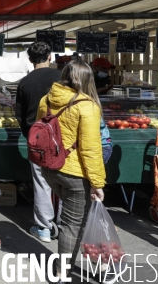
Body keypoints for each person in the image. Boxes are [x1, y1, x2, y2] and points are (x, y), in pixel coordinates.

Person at [37, 60, 106, 280]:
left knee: (71, 220)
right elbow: (91, 149)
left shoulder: (46, 100)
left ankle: (65, 263)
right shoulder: (87, 106)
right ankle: (62, 270)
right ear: (87, 79)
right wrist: (97, 183)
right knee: (72, 225)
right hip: (75, 173)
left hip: (50, 168)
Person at [15, 42, 62, 243]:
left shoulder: (25, 82)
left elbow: (20, 114)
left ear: (30, 59)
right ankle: (64, 223)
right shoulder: (62, 78)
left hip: (38, 139)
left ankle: (44, 227)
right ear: (49, 56)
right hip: (63, 137)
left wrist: (29, 134)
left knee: (42, 182)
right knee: (63, 181)